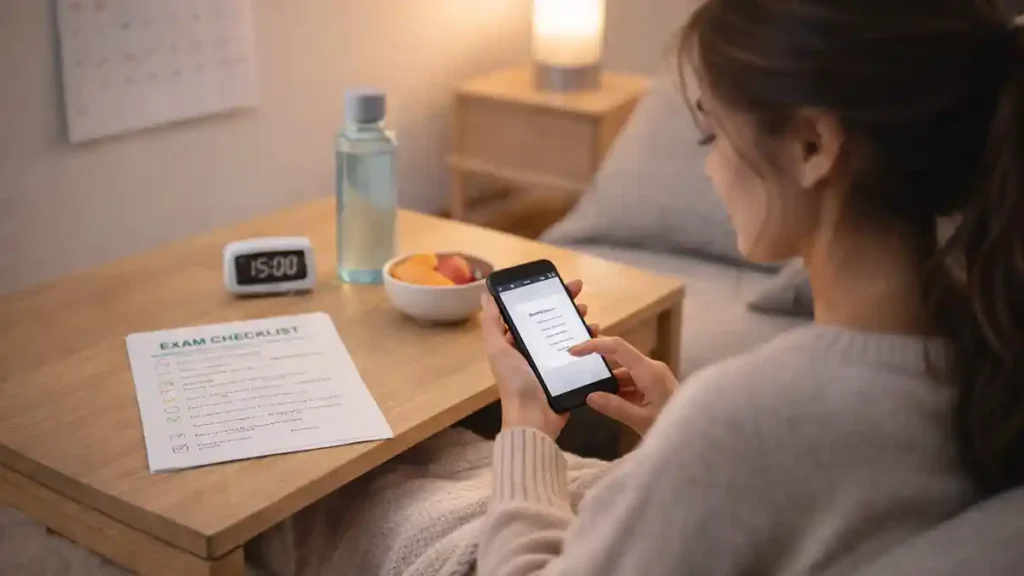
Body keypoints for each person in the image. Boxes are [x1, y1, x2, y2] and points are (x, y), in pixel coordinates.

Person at [242, 1, 1024, 575]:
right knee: (429, 455)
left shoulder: (744, 418)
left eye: (711, 133)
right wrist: (680, 419)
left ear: (815, 145)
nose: (710, 167)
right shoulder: (987, 357)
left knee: (307, 495)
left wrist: (526, 422)